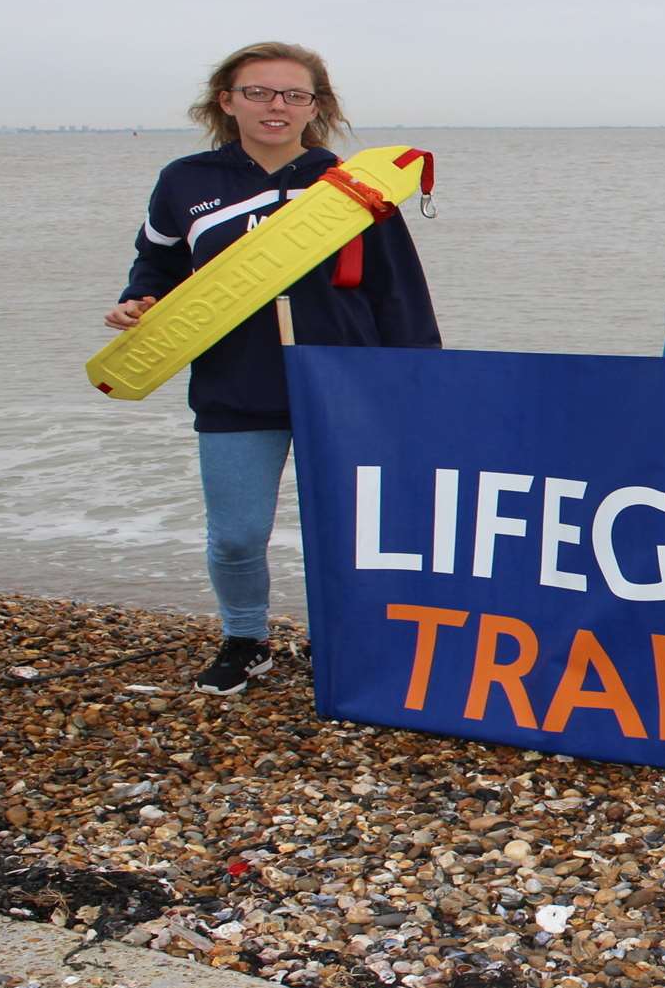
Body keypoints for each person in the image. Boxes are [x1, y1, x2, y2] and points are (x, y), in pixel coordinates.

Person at [103, 41, 440, 695]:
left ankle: (343, 635)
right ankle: (245, 640)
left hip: (345, 383)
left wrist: (420, 381)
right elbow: (158, 266)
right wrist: (135, 304)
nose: (275, 106)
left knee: (346, 531)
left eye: (293, 94)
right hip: (234, 379)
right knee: (236, 534)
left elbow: (397, 290)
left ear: (317, 106)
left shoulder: (349, 186)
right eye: (258, 92)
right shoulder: (186, 181)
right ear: (226, 101)